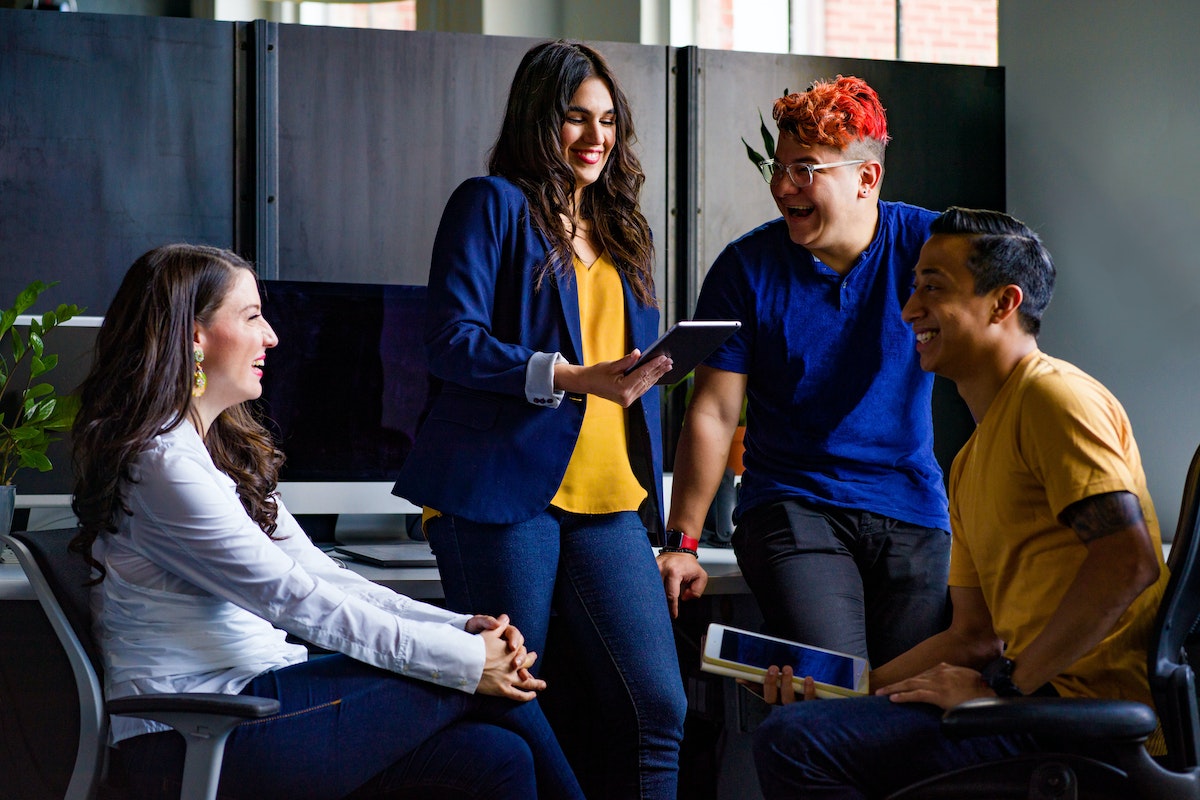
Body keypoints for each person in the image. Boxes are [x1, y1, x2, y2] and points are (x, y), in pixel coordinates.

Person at [69, 244, 584, 800]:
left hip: (260, 701)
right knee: (479, 683)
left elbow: (322, 576)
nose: (272, 336)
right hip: (192, 735)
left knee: (496, 757)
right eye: (252, 317)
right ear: (195, 336)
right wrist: (468, 660)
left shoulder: (215, 454)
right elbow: (293, 599)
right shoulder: (162, 465)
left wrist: (457, 629)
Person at [751, 207, 1169, 798]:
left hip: (1085, 723)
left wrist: (1005, 690)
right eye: (913, 287)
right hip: (1031, 706)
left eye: (934, 288)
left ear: (1003, 303)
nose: (909, 309)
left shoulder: (1054, 398)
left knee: (794, 744)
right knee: (805, 727)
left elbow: (1128, 561)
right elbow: (973, 635)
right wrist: (840, 692)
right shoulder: (970, 460)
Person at [391, 41, 687, 799]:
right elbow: (450, 340)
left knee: (659, 707)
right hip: (501, 492)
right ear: (538, 118)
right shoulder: (491, 203)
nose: (596, 137)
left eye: (608, 121)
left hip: (610, 496)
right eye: (576, 118)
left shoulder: (623, 228)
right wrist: (571, 376)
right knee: (511, 694)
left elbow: (618, 368)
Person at [660, 76, 951, 668]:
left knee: (907, 697)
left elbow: (1007, 314)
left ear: (866, 177)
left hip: (911, 506)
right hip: (792, 505)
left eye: (805, 170)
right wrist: (682, 543)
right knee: (837, 683)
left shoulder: (931, 246)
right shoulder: (746, 269)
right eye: (779, 168)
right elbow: (714, 412)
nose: (781, 186)